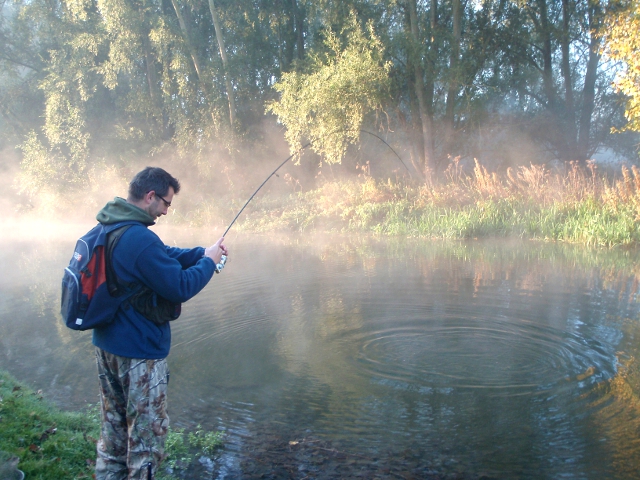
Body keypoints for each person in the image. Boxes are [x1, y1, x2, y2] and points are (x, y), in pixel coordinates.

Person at [92, 166, 228, 480]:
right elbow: (180, 286)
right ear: (150, 196)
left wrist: (202, 253)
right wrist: (208, 263)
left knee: (113, 438)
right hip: (138, 353)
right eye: (166, 203)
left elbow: (164, 255)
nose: (167, 210)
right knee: (146, 445)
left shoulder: (112, 227)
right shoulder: (139, 238)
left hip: (107, 348)